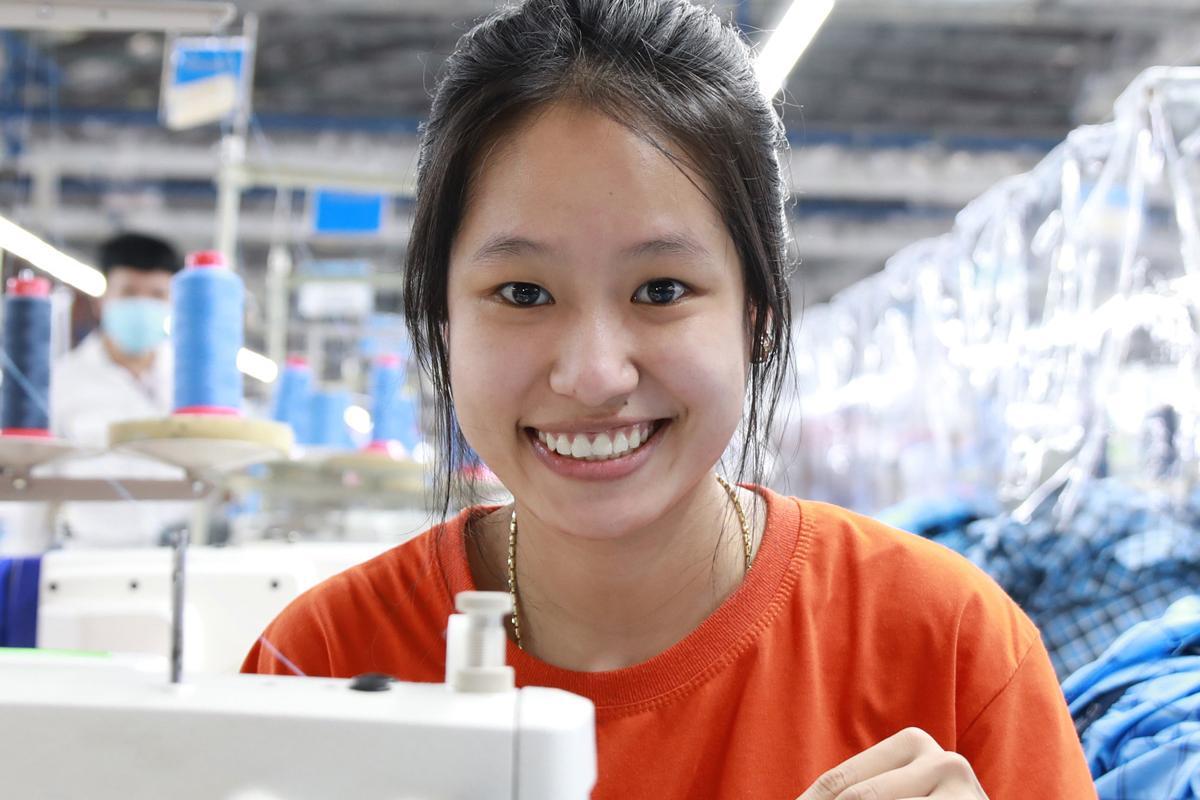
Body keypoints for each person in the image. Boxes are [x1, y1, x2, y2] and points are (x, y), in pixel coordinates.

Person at [243, 2, 1096, 797]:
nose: (594, 375)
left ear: (756, 316)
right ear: (441, 315)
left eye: (660, 290)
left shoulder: (948, 650)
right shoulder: (318, 663)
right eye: (523, 293)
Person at [48, 231, 190, 547]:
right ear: (102, 301)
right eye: (129, 292)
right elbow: (33, 487)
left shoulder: (190, 382)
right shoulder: (61, 381)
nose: (142, 304)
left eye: (156, 295)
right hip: (88, 557)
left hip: (178, 556)